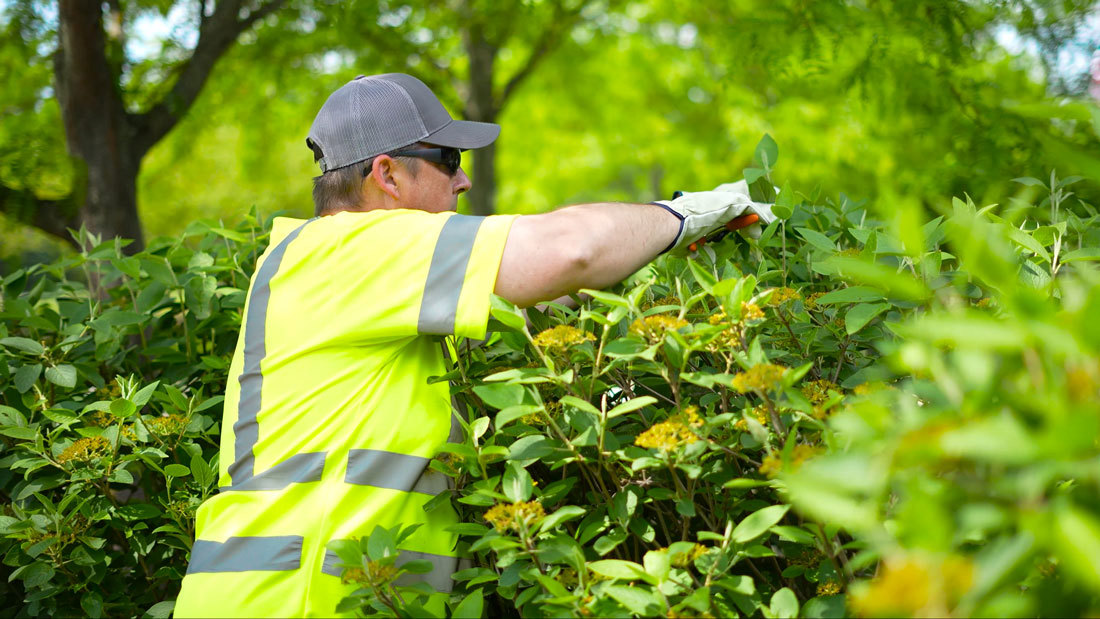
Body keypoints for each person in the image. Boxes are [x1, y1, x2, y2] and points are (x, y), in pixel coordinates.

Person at [173, 72, 772, 617]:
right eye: (448, 158)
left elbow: (544, 293)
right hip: (298, 597)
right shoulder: (355, 246)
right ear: (386, 174)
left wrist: (663, 252)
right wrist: (685, 213)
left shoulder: (333, 262)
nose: (463, 179)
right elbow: (569, 250)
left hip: (297, 591)